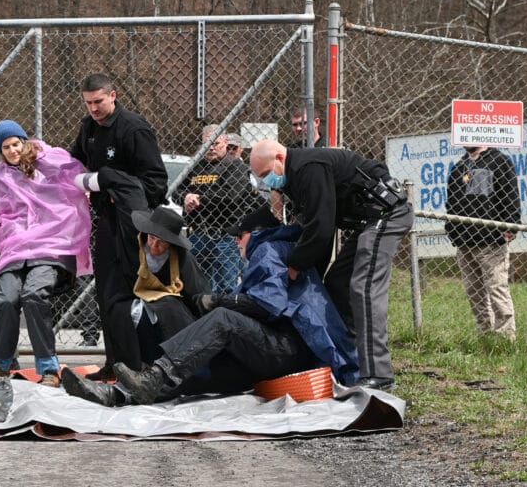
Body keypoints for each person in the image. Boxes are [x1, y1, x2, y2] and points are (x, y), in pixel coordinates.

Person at [61, 213, 359, 407]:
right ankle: (117, 396)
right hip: (275, 350)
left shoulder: (267, 250)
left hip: (286, 349)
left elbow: (267, 306)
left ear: (254, 234)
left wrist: (218, 301)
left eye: (238, 236)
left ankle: (152, 378)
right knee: (202, 372)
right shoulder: (277, 251)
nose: (235, 241)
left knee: (223, 319)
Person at [248, 140, 413, 390]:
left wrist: (294, 268)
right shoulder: (294, 178)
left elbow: (321, 231)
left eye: (265, 174)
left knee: (363, 288)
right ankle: (351, 361)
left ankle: (379, 376)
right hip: (366, 223)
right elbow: (318, 232)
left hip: (387, 215)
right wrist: (309, 273)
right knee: (337, 284)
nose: (265, 181)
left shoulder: (309, 168)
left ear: (280, 158)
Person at [70, 73, 168, 376]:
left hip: (134, 223)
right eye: (88, 103)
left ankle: (142, 365)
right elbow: (75, 162)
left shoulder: (134, 129)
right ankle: (115, 363)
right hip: (106, 223)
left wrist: (119, 191)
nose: (94, 109)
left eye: (99, 101)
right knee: (106, 294)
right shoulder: (89, 128)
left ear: (113, 95)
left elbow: (156, 184)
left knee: (129, 293)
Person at [0, 121, 92, 387]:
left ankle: (48, 367)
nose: (12, 151)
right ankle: (0, 363)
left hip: (49, 242)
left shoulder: (48, 160)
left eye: (16, 144)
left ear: (24, 141)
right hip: (14, 246)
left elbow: (71, 175)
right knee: (6, 300)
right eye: (6, 147)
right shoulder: (0, 174)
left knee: (33, 295)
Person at [176, 124, 265, 296]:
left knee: (226, 286)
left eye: (215, 143)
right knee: (196, 284)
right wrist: (186, 198)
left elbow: (231, 195)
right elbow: (177, 191)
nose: (211, 148)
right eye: (207, 144)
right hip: (198, 233)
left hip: (225, 235)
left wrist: (198, 199)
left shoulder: (235, 166)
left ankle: (227, 320)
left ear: (225, 141)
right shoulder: (196, 166)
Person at [445, 145, 520, 340]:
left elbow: (510, 195)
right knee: (473, 291)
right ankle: (485, 335)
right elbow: (451, 202)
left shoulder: (499, 161)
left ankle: (505, 338)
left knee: (496, 287)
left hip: (490, 240)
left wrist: (511, 226)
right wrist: (452, 231)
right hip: (464, 241)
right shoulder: (460, 166)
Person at [128, 206, 205, 364]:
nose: (154, 245)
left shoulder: (183, 259)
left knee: (168, 310)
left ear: (171, 244)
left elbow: (198, 293)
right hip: (135, 301)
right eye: (151, 238)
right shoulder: (134, 249)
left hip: (171, 310)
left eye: (161, 242)